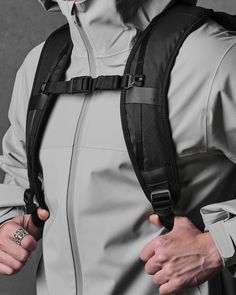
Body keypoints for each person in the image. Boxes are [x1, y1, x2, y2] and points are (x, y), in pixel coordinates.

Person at [0, 0, 236, 294]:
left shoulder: (212, 59)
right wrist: (9, 221)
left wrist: (216, 245)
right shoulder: (40, 65)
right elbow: (19, 171)